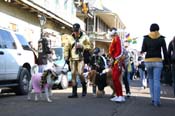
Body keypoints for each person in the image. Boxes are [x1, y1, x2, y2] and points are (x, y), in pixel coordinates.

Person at [141, 23, 169, 106]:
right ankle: (157, 101)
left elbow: (143, 49)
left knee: (151, 80)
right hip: (158, 61)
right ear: (158, 29)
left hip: (148, 61)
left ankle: (153, 99)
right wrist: (167, 63)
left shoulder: (146, 38)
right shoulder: (161, 38)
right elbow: (165, 51)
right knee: (157, 81)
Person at [64, 23, 92, 98]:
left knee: (80, 73)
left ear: (79, 29)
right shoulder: (70, 38)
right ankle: (74, 93)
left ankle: (84, 88)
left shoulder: (85, 37)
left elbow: (90, 46)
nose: (75, 32)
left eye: (77, 31)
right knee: (73, 75)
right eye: (74, 31)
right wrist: (66, 57)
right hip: (72, 59)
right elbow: (66, 48)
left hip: (81, 58)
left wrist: (82, 46)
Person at [109, 27, 125, 102]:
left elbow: (120, 51)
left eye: (110, 31)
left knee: (116, 78)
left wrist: (115, 58)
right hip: (115, 61)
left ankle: (121, 95)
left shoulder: (117, 39)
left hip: (118, 61)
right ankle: (118, 95)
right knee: (114, 79)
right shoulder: (114, 39)